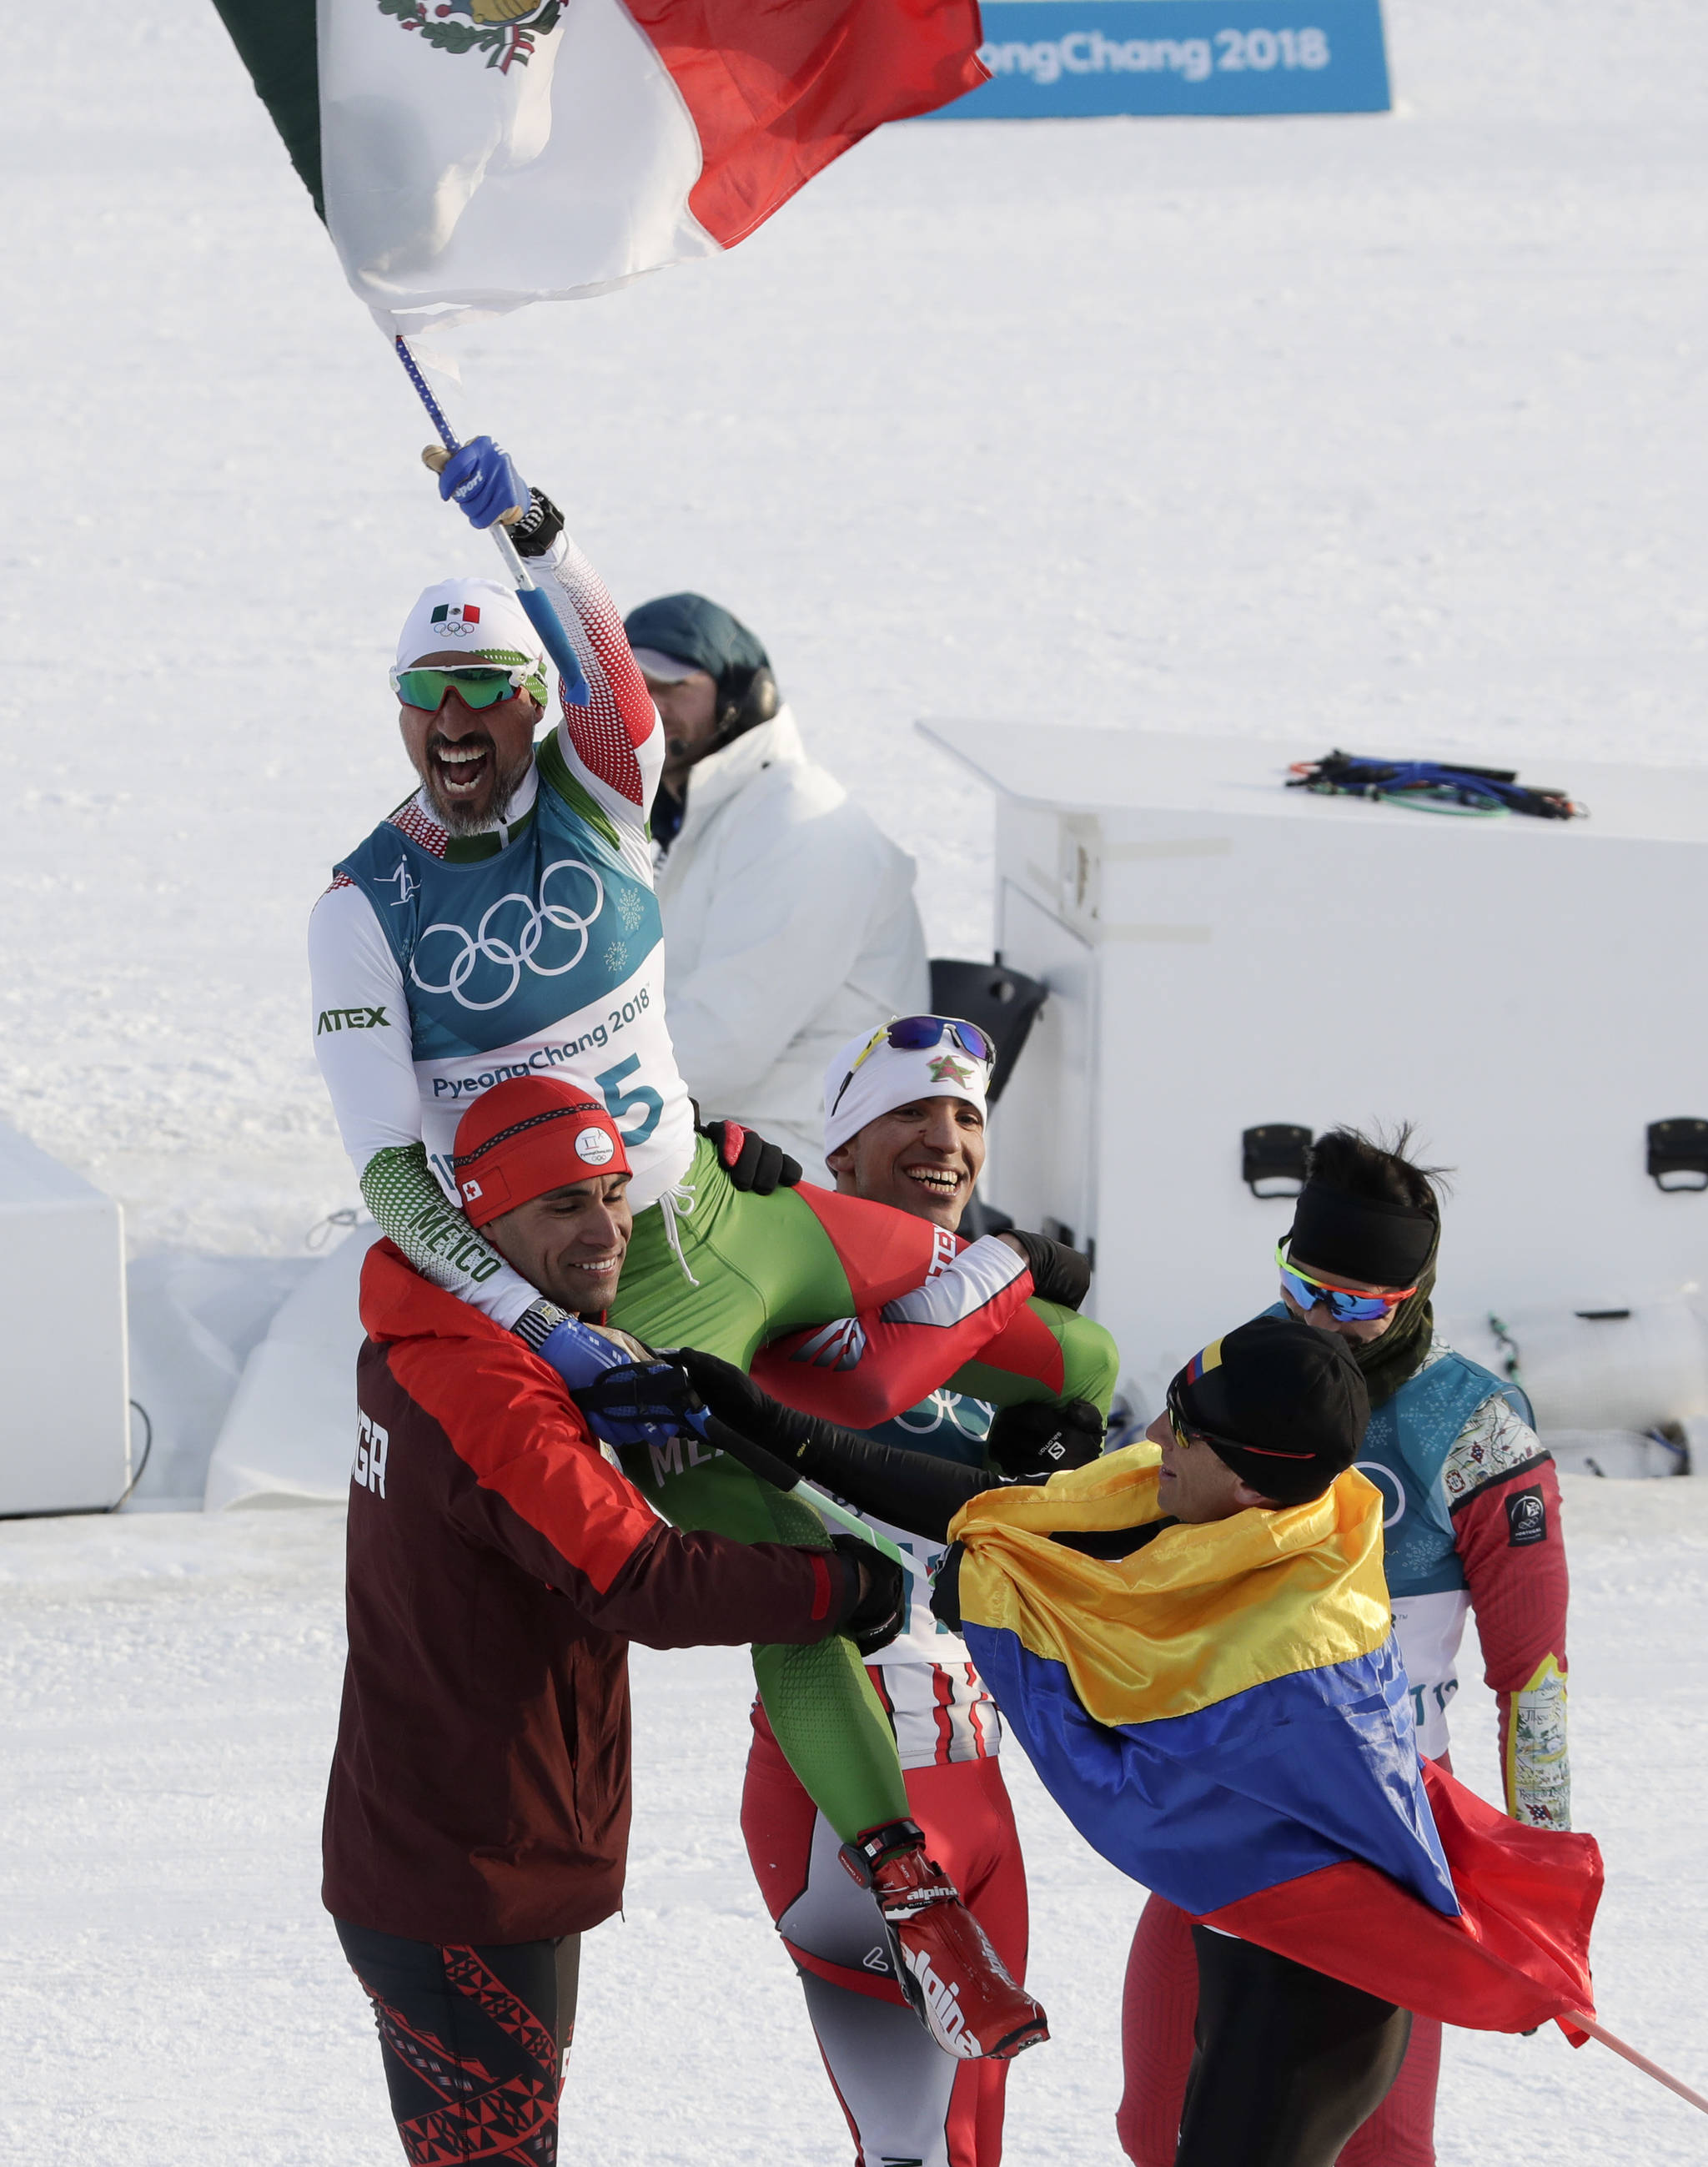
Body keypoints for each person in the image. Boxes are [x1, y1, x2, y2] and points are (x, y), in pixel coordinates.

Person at [306, 435, 1104, 2057]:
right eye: (429, 698)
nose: (461, 726)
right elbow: (392, 1171)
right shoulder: (360, 905)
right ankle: (918, 1907)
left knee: (1027, 1326)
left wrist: (541, 538)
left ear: (523, 706)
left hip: (740, 1212)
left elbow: (618, 689)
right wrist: (561, 1337)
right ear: (399, 710)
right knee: (794, 1600)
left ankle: (1130, 1501)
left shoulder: (602, 799)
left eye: (487, 690)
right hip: (628, 1291)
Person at [651, 1315, 1599, 2167]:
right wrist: (763, 1424)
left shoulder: (1291, 1660)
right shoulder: (1250, 1507)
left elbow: (1121, 1796)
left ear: (1244, 1477)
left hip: (1316, 2000)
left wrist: (1000, 1619)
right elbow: (994, 1511)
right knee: (1148, 2135)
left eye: (1180, 1426)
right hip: (1240, 1940)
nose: (1151, 1438)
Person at [324, 1084, 907, 2167]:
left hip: (471, 1850)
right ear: (481, 1223)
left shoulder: (435, 1317)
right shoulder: (491, 1389)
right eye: (562, 1209)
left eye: (615, 1195)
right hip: (465, 1878)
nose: (605, 1233)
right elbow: (642, 1578)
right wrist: (841, 1587)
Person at [1115, 1127, 1571, 2167]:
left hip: (1385, 1813)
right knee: (1159, 2131)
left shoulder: (1472, 1424)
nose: (1319, 1320)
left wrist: (1536, 1880)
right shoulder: (1229, 1371)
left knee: (1377, 2147)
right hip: (1228, 1802)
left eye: (1356, 1304)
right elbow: (1123, 1542)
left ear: (1412, 1294)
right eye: (1300, 1285)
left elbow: (1531, 1673)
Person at [740, 1023, 1107, 2167]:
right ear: (841, 1153)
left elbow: (1088, 1387)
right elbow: (867, 1364)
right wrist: (757, 1190)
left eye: (967, 1120)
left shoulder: (1013, 1347)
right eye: (909, 1114)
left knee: (961, 2146)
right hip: (846, 1771)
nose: (945, 1139)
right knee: (925, 2147)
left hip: (980, 1773)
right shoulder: (787, 1300)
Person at [625, 591, 929, 1182]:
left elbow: (721, 1042)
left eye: (673, 685)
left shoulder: (798, 824)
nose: (649, 705)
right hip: (722, 1133)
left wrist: (565, 1093)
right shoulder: (700, 819)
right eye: (634, 685)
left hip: (809, 1162)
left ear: (744, 698)